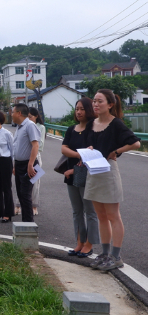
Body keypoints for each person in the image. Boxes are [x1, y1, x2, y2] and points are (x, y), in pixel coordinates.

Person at [84, 89, 140, 272]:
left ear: (110, 104)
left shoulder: (116, 123)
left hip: (108, 171)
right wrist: (90, 148)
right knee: (101, 216)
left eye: (100, 101)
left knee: (113, 216)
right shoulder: (92, 123)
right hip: (94, 171)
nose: (95, 104)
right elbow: (91, 143)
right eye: (94, 101)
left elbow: (136, 143)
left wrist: (117, 151)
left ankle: (116, 256)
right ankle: (105, 253)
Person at [60, 97, 99, 259]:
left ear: (89, 110)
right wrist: (78, 154)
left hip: (87, 174)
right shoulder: (71, 129)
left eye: (82, 109)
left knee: (90, 211)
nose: (79, 112)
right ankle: (79, 242)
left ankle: (89, 244)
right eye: (77, 109)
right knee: (76, 211)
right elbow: (64, 148)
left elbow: (92, 153)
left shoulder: (93, 129)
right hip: (71, 174)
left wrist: (75, 168)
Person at [10, 103, 41, 223]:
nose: (11, 114)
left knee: (25, 195)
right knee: (20, 194)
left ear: (19, 113)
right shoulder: (19, 127)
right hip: (19, 164)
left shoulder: (30, 125)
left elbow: (35, 145)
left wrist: (30, 164)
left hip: (29, 165)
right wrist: (14, 165)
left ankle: (28, 223)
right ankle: (25, 221)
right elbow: (17, 148)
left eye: (13, 112)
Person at [27, 107, 47, 216]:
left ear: (36, 117)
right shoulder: (24, 126)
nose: (28, 119)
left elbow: (40, 145)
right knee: (21, 182)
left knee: (35, 182)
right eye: (27, 117)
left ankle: (34, 206)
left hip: (36, 156)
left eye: (30, 117)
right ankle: (18, 205)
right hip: (25, 156)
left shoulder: (41, 127)